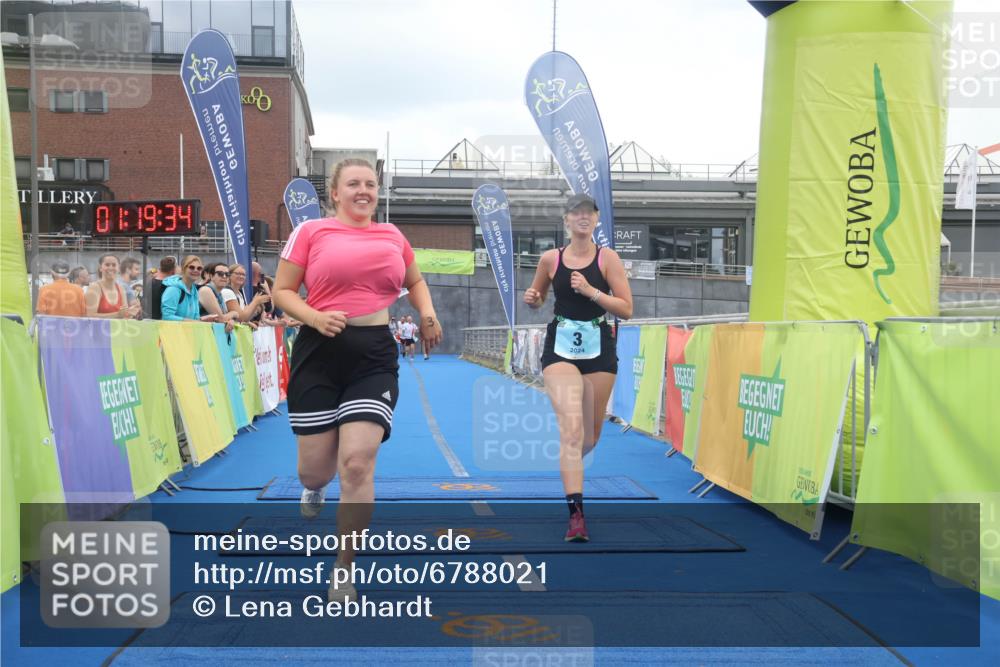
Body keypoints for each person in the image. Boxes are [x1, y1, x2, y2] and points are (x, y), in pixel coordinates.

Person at [273, 158, 442, 603]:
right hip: (318, 352)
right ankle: (314, 489)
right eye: (353, 184)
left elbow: (416, 280)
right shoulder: (311, 232)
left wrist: (427, 313)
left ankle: (343, 569)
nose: (363, 190)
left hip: (373, 355)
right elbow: (282, 291)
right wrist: (313, 315)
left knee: (357, 463)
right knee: (315, 470)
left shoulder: (392, 235)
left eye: (370, 184)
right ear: (335, 193)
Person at [523, 193, 633, 542]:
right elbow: (537, 298)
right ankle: (576, 516)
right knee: (571, 431)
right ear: (566, 220)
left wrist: (590, 291)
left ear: (596, 220)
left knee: (590, 436)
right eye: (576, 213)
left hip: (599, 347)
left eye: (589, 213)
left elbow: (627, 309)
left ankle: (568, 460)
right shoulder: (550, 259)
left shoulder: (608, 259)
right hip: (560, 349)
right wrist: (533, 299)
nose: (583, 218)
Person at [85, 254, 140, 319]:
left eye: (114, 265)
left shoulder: (121, 288)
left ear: (118, 268)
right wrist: (117, 314)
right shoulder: (95, 287)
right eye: (107, 265)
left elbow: (124, 316)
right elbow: (89, 315)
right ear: (100, 268)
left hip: (116, 328)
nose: (110, 268)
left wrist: (132, 312)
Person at [161, 255, 210, 321]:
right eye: (191, 267)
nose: (196, 270)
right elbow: (167, 317)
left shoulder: (194, 290)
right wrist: (189, 321)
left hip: (187, 330)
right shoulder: (173, 290)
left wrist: (201, 320)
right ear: (183, 269)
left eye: (199, 268)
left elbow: (195, 318)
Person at [199, 262, 238, 332]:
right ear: (211, 276)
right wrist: (234, 313)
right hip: (201, 334)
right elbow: (221, 319)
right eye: (220, 274)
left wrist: (231, 320)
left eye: (227, 274)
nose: (224, 277)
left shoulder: (219, 293)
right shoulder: (206, 290)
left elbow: (224, 318)